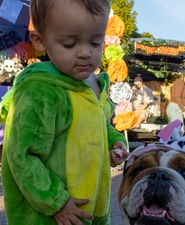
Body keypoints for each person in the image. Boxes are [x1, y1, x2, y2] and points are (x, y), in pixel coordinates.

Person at [0, 0, 128, 224]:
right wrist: (55, 201)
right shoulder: (41, 91)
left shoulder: (96, 84)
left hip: (92, 209)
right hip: (52, 215)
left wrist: (114, 141)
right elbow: (22, 155)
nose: (85, 53)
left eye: (96, 41)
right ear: (40, 41)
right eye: (69, 43)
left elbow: (101, 124)